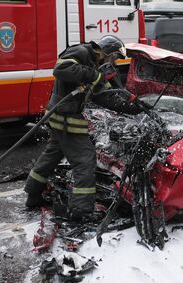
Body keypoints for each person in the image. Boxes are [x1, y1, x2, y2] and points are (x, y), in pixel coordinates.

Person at [24, 36, 145, 222]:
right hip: (65, 116)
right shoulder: (81, 52)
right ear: (107, 53)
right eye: (114, 58)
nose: (114, 63)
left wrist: (134, 107)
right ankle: (81, 211)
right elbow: (61, 69)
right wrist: (94, 76)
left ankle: (33, 194)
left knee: (53, 154)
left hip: (62, 117)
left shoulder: (96, 66)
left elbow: (105, 97)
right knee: (85, 160)